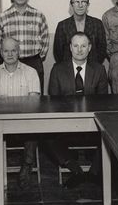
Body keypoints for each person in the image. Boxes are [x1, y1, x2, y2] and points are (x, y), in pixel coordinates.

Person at [46, 33, 109, 187]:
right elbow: (54, 102)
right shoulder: (58, 70)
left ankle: (94, 173)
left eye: (83, 46)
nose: (79, 50)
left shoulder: (99, 70)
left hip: (92, 126)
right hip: (66, 127)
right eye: (75, 46)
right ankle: (76, 171)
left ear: (89, 48)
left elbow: (102, 103)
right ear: (70, 48)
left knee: (111, 137)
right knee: (46, 136)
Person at [0, 37, 40, 187]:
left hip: (24, 123)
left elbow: (34, 103)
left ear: (19, 52)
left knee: (33, 127)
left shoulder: (31, 73)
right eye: (6, 51)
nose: (9, 54)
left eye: (13, 50)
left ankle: (27, 167)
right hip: (0, 124)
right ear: (1, 53)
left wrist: (3, 101)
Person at [0, 0, 49, 90]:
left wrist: (35, 58)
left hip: (33, 62)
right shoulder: (2, 18)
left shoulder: (38, 16)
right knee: (11, 98)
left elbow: (45, 42)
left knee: (35, 101)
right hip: (10, 64)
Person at [52, 0, 107, 66]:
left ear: (88, 5)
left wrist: (93, 68)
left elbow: (102, 50)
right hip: (68, 71)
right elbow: (58, 53)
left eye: (83, 2)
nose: (80, 5)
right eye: (77, 2)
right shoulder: (62, 25)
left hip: (92, 70)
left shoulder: (97, 24)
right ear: (71, 5)